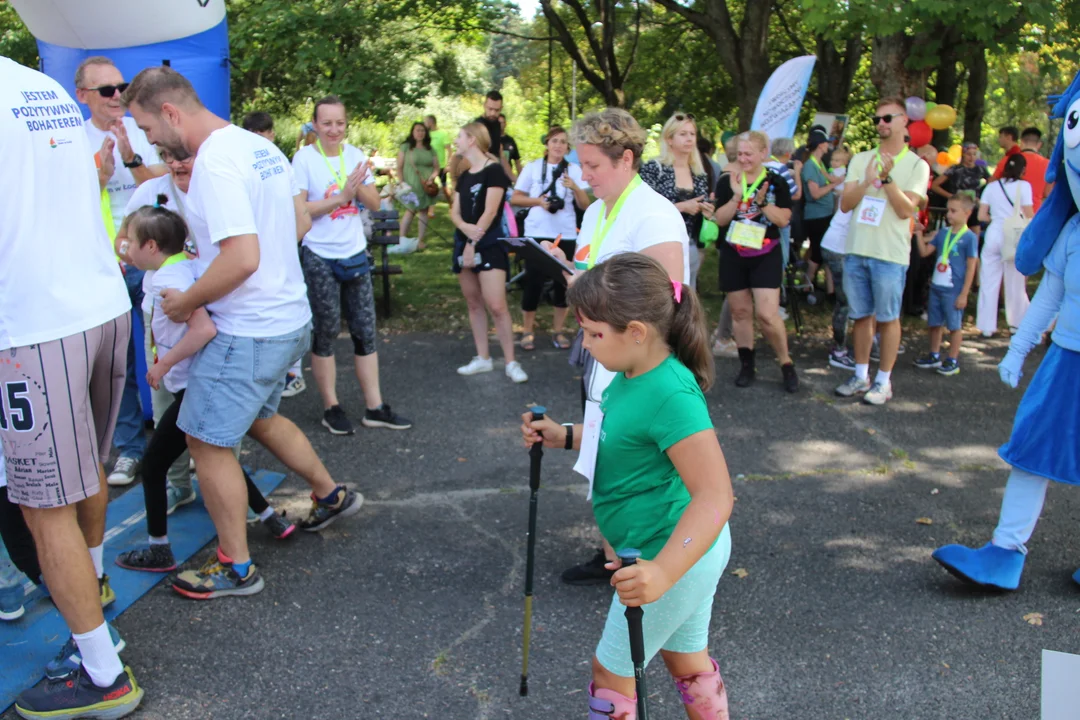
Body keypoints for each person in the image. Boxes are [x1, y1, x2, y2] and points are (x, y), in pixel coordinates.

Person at [123, 66, 363, 600]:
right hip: (287, 319)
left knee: (205, 441)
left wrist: (187, 298)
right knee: (258, 416)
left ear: (169, 112)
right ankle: (329, 494)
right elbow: (296, 228)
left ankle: (235, 566)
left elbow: (243, 258)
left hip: (249, 328)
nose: (151, 141)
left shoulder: (216, 163)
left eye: (147, 129)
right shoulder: (259, 148)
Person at [521, 254, 734, 719]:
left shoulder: (670, 393)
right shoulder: (630, 373)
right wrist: (567, 435)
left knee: (610, 672)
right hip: (663, 549)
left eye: (594, 333)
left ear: (636, 332)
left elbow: (716, 495)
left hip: (671, 553)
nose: (586, 342)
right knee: (686, 659)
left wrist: (662, 571)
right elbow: (623, 436)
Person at [2, 55, 144, 717]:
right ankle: (93, 585)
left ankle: (101, 671)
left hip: (33, 325)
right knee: (84, 466)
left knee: (40, 502)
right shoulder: (35, 86)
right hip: (98, 303)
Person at [931, 77, 1080, 591]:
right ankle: (1004, 550)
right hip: (1066, 359)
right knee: (1031, 450)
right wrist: (1018, 348)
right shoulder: (1072, 233)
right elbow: (1050, 296)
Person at [113, 205, 296, 572]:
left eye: (128, 242)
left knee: (152, 467)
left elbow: (203, 330)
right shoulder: (185, 266)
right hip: (200, 383)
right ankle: (270, 518)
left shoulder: (168, 281)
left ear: (150, 247)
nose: (123, 248)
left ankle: (159, 550)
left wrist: (163, 363)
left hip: (195, 387)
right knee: (218, 457)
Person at [551, 108, 690, 587]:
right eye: (581, 164)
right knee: (605, 455)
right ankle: (612, 551)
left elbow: (667, 299)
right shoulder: (594, 210)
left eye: (592, 166)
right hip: (601, 353)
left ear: (626, 158)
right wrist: (569, 273)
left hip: (638, 365)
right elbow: (594, 275)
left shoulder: (653, 213)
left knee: (639, 463)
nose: (583, 175)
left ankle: (645, 560)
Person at [294, 96, 412, 435]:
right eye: (327, 123)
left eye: (340, 123)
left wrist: (358, 185)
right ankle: (331, 407)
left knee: (365, 330)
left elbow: (374, 203)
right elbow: (300, 211)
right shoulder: (303, 159)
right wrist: (340, 196)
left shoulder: (355, 156)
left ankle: (374, 406)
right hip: (319, 254)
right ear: (315, 125)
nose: (334, 129)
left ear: (347, 125)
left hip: (354, 253)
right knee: (327, 331)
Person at [75, 56, 168, 489]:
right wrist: (99, 176)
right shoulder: (71, 140)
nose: (118, 96)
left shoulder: (143, 129)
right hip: (100, 266)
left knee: (162, 352)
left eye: (121, 87)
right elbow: (66, 206)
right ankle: (130, 450)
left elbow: (164, 190)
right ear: (83, 96)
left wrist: (131, 160)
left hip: (147, 263)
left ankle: (175, 451)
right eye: (107, 90)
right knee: (118, 364)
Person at [834, 97, 930, 406]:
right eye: (877, 119)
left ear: (905, 121)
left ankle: (883, 381)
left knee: (888, 318)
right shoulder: (861, 159)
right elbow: (846, 204)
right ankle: (861, 376)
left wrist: (887, 180)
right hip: (857, 250)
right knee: (861, 316)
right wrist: (867, 180)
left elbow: (906, 211)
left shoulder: (917, 165)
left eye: (888, 118)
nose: (881, 124)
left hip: (890, 254)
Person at [709, 130, 799, 393]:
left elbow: (783, 220)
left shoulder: (775, 180)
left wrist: (762, 204)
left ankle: (786, 363)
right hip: (734, 253)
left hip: (765, 252)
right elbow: (720, 220)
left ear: (763, 153)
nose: (744, 158)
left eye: (749, 153)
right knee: (740, 312)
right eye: (740, 154)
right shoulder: (728, 181)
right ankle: (747, 364)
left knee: (767, 314)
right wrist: (737, 197)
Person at [450, 122, 528, 383]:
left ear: (472, 140)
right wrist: (463, 229)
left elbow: (491, 212)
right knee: (473, 303)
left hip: (489, 244)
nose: (456, 141)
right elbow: (454, 210)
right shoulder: (464, 175)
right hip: (465, 243)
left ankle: (511, 362)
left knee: (497, 305)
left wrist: (474, 241)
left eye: (459, 137)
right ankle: (482, 358)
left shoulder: (494, 171)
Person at [243, 111, 306, 398]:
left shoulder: (269, 165)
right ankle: (285, 376)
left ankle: (289, 375)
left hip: (260, 267)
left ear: (272, 135)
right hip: (274, 269)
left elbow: (302, 221)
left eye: (266, 134)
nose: (263, 141)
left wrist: (271, 247)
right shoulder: (279, 163)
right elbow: (303, 221)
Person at [510, 125, 590, 350]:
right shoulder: (533, 168)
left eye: (563, 142)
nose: (558, 145)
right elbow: (515, 198)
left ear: (567, 147)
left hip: (563, 233)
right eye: (554, 141)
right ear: (547, 144)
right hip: (536, 231)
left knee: (563, 283)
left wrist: (574, 187)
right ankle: (527, 331)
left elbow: (586, 205)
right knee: (532, 282)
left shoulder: (574, 170)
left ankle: (559, 331)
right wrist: (539, 202)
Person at [638, 112, 714, 290]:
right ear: (669, 139)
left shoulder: (699, 172)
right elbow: (642, 208)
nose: (689, 139)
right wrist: (681, 207)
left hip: (690, 244)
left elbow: (703, 207)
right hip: (657, 243)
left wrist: (708, 211)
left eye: (692, 134)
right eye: (683, 134)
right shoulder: (654, 168)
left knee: (687, 298)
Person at [912, 193, 980, 376]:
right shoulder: (943, 233)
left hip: (954, 290)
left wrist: (964, 293)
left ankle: (952, 359)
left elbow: (971, 266)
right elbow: (925, 252)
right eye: (948, 210)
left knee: (954, 325)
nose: (949, 214)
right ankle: (934, 354)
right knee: (934, 323)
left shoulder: (970, 238)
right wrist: (918, 233)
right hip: (936, 286)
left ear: (966, 213)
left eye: (953, 211)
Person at [975, 153, 1033, 337]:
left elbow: (981, 216)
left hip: (994, 232)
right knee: (1015, 281)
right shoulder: (1024, 186)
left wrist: (996, 218)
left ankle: (986, 326)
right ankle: (1016, 323)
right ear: (1023, 169)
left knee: (988, 280)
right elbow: (1029, 215)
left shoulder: (991, 187)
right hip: (1013, 235)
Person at [819, 146, 856, 370]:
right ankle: (839, 350)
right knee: (845, 301)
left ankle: (846, 346)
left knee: (848, 300)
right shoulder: (857, 190)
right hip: (836, 248)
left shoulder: (853, 187)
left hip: (839, 247)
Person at [801, 129, 843, 287]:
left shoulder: (820, 163)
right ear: (820, 145)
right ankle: (805, 285)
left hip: (824, 214)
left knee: (820, 252)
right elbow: (815, 193)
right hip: (816, 216)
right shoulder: (810, 166)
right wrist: (834, 185)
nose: (829, 145)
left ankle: (825, 288)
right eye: (827, 142)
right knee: (818, 253)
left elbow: (830, 179)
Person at [395, 121, 441, 251]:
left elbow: (436, 168)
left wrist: (431, 179)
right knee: (410, 210)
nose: (420, 133)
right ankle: (402, 239)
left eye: (422, 130)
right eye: (417, 130)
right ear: (412, 132)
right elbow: (399, 166)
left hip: (426, 184)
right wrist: (401, 182)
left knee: (424, 211)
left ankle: (420, 240)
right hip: (410, 184)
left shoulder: (430, 149)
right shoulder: (406, 147)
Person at [765, 137, 802, 271]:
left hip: (763, 217)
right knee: (781, 259)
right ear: (787, 154)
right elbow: (796, 194)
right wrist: (797, 172)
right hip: (779, 218)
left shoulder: (764, 164)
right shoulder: (781, 168)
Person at [930, 143, 989, 215]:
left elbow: (993, 183)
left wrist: (982, 198)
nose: (972, 157)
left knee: (975, 226)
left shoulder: (981, 169)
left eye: (974, 154)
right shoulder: (955, 169)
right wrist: (950, 196)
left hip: (973, 206)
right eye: (968, 154)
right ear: (963, 154)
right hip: (957, 206)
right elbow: (935, 185)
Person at [476, 90, 513, 179]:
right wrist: (497, 164)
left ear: (501, 108)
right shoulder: (477, 126)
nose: (493, 113)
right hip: (480, 176)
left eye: (497, 110)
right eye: (490, 109)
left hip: (495, 174)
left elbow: (500, 152)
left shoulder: (497, 123)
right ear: (484, 106)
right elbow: (479, 153)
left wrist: (515, 179)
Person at [424, 114, 452, 217]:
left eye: (426, 122)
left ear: (431, 122)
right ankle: (431, 211)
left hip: (441, 166)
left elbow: (449, 150)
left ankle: (452, 205)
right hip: (429, 166)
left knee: (444, 188)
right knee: (430, 187)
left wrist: (448, 165)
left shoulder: (443, 133)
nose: (424, 124)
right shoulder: (426, 135)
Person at [1018, 127, 1051, 212]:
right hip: (1034, 212)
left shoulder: (1008, 160)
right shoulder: (1048, 164)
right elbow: (1048, 193)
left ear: (1021, 142)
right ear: (1039, 144)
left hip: (1010, 213)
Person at [498, 113, 523, 180]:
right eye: (498, 123)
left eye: (502, 122)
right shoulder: (490, 139)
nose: (500, 125)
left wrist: (521, 180)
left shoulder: (510, 140)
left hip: (507, 178)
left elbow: (517, 161)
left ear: (505, 124)